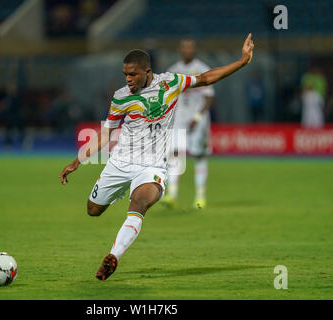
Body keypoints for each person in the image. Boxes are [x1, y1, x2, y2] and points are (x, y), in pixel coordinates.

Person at [59, 34, 254, 281]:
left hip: (152, 165)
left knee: (139, 203)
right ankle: (120, 190)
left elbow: (205, 78)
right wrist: (78, 161)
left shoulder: (170, 83)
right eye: (125, 75)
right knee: (93, 210)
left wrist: (242, 62)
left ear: (147, 72)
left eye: (133, 75)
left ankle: (113, 256)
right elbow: (106, 132)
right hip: (120, 162)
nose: (128, 80)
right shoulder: (121, 96)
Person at [161, 39, 215, 209]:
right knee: (174, 154)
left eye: (190, 47)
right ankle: (172, 195)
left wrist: (197, 118)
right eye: (184, 47)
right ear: (180, 49)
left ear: (194, 50)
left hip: (198, 120)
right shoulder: (173, 71)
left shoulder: (202, 69)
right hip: (178, 119)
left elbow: (208, 97)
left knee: (199, 155)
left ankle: (200, 197)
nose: (187, 50)